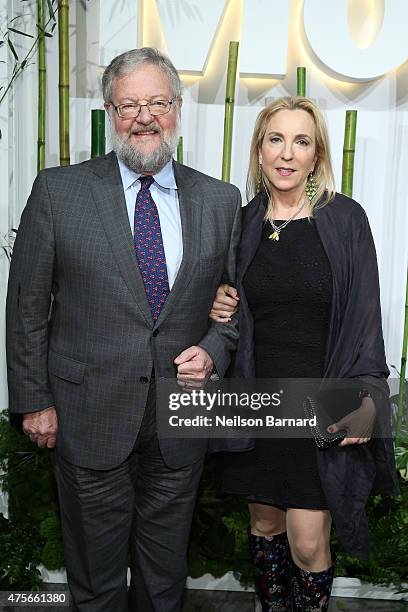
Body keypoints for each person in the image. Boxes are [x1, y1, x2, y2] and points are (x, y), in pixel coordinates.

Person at [6, 47, 241, 612]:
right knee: (97, 584)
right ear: (111, 112)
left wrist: (212, 349)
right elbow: (28, 306)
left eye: (157, 102)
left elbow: (234, 307)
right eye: (129, 104)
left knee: (164, 585)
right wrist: (34, 400)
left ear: (177, 109)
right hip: (87, 415)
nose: (144, 116)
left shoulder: (221, 200)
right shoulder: (59, 192)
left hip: (179, 422)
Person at [209, 96, 399, 612]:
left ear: (317, 155)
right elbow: (230, 304)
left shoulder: (343, 220)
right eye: (276, 139)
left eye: (301, 141)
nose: (287, 153)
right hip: (256, 399)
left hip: (321, 402)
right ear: (260, 149)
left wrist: (365, 398)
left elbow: (364, 316)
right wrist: (219, 302)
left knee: (309, 540)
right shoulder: (242, 222)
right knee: (265, 525)